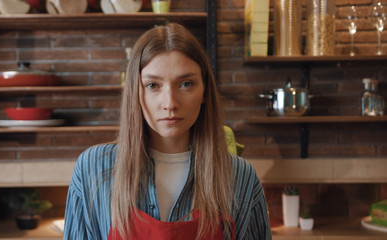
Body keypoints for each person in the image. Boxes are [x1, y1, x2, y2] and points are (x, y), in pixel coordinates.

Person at [63, 23, 271, 240]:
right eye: (153, 85)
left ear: (205, 92)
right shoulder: (94, 171)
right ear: (135, 91)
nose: (170, 103)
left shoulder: (241, 178)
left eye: (186, 84)